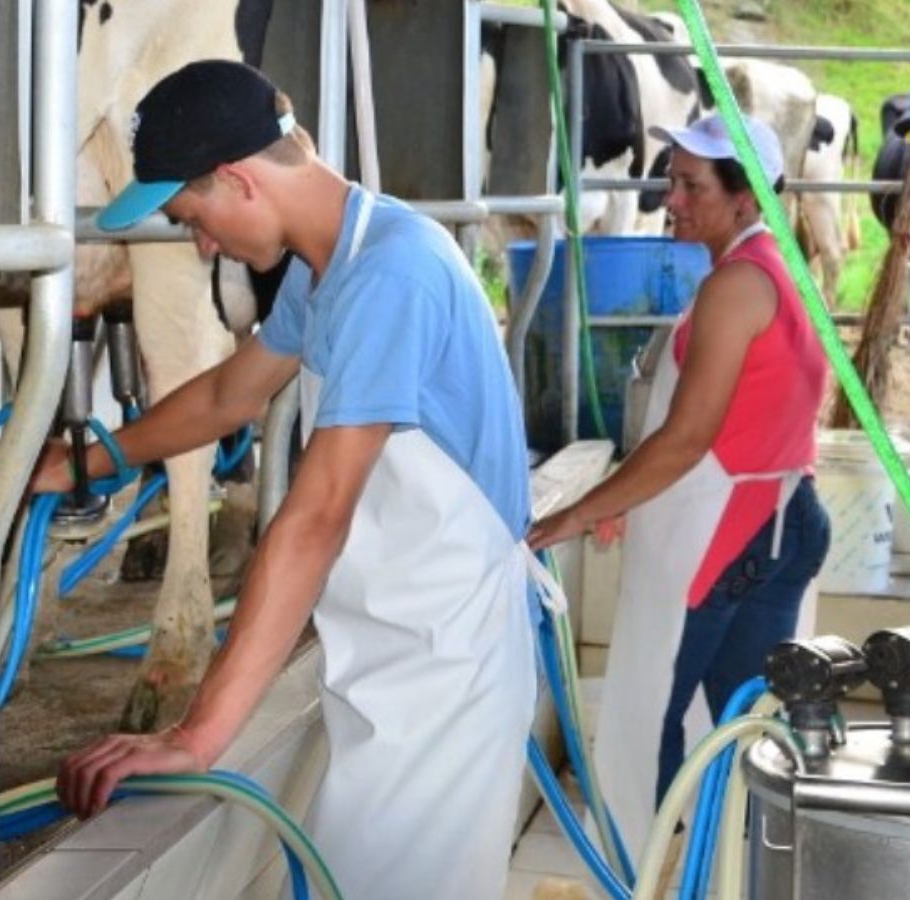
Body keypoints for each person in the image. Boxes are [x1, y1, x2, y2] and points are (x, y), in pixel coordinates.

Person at [37, 60, 538, 899]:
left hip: (444, 672)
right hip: (388, 652)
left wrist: (197, 737)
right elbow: (232, 394)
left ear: (237, 181)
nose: (200, 244)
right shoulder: (329, 264)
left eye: (192, 218)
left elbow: (313, 521)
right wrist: (86, 461)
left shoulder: (392, 273)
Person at [528, 113, 832, 858]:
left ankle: (640, 872)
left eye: (691, 184)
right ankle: (738, 870)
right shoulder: (781, 271)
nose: (671, 199)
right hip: (780, 521)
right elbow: (763, 417)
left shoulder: (736, 286)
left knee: (649, 714)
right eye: (672, 179)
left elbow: (688, 436)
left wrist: (575, 513)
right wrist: (635, 495)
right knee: (744, 723)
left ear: (747, 198)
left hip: (724, 534)